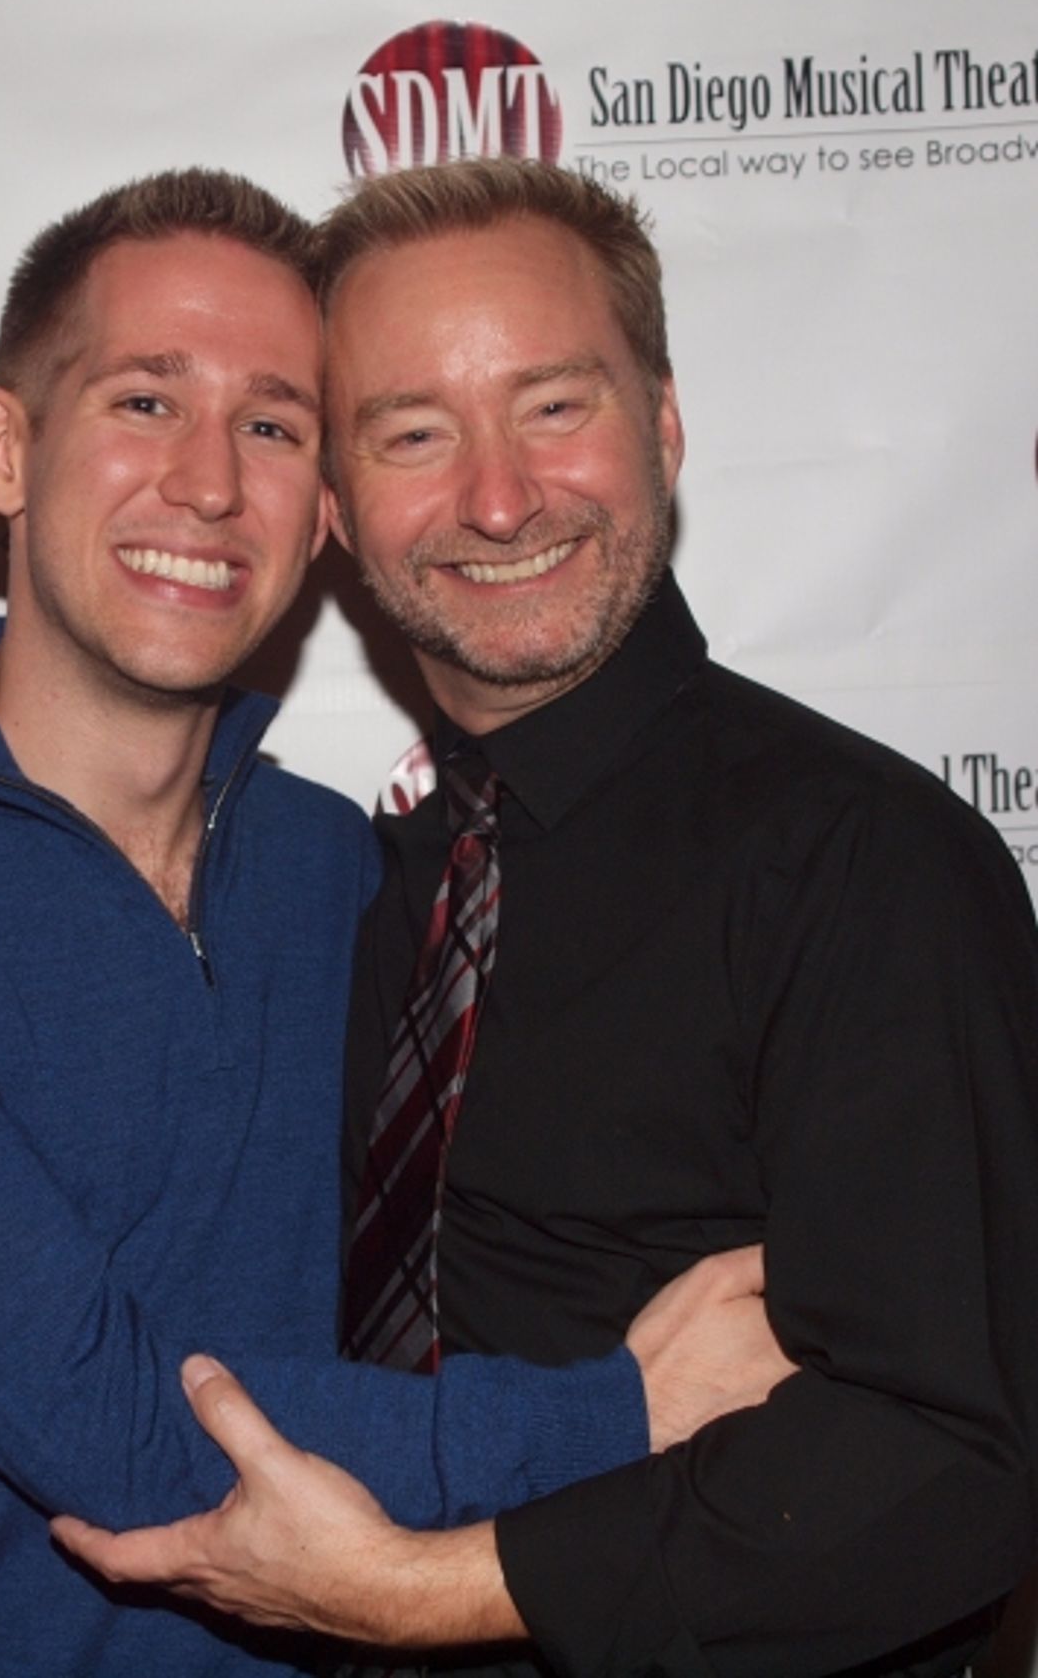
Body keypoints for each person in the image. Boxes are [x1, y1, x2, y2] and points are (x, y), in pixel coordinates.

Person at [0, 168, 788, 1677]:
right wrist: (622, 1411)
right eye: (144, 401)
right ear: (4, 450)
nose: (208, 483)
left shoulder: (357, 870)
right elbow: (125, 1435)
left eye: (272, 425)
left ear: (326, 510)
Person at [52, 159, 1038, 1677]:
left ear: (665, 423)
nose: (499, 496)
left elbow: (952, 1464)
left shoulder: (864, 864)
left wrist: (419, 1589)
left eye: (555, 405)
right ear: (335, 505)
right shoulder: (348, 891)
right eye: (415, 433)